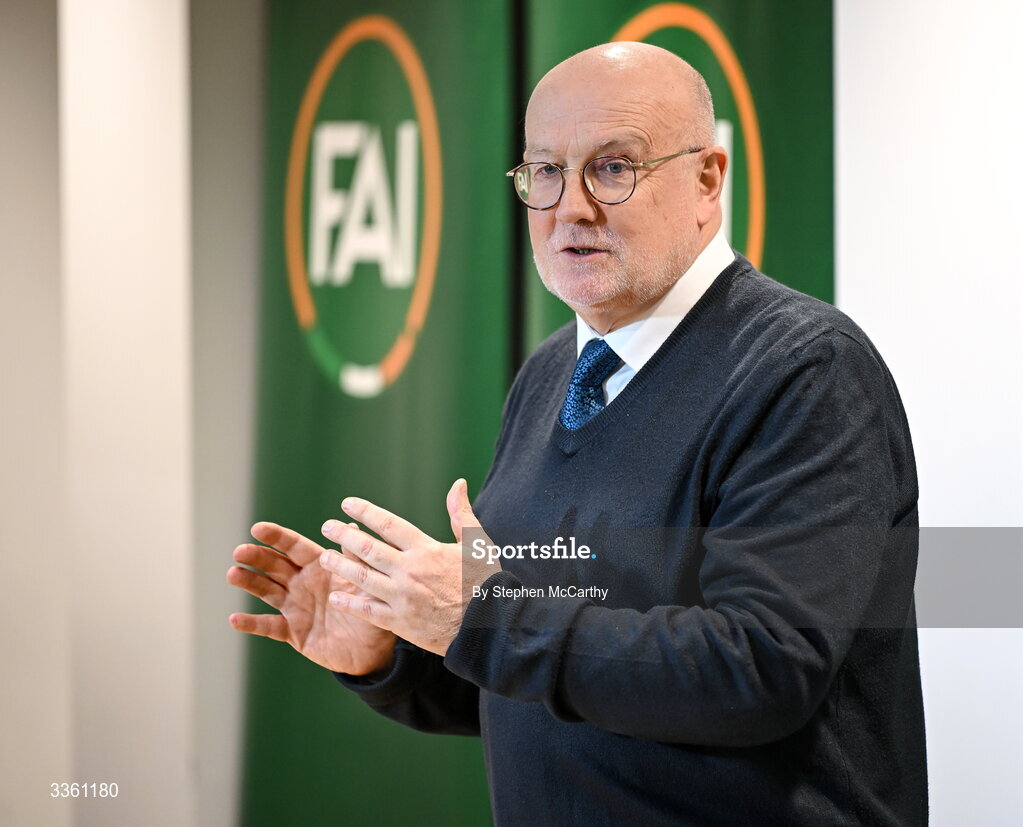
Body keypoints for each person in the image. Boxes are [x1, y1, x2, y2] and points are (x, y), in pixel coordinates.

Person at [228, 42, 928, 825]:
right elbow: (547, 676)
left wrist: (481, 617)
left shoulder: (804, 371)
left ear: (706, 182)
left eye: (613, 167)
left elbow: (760, 669)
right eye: (546, 172)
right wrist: (392, 652)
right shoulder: (552, 372)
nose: (571, 208)